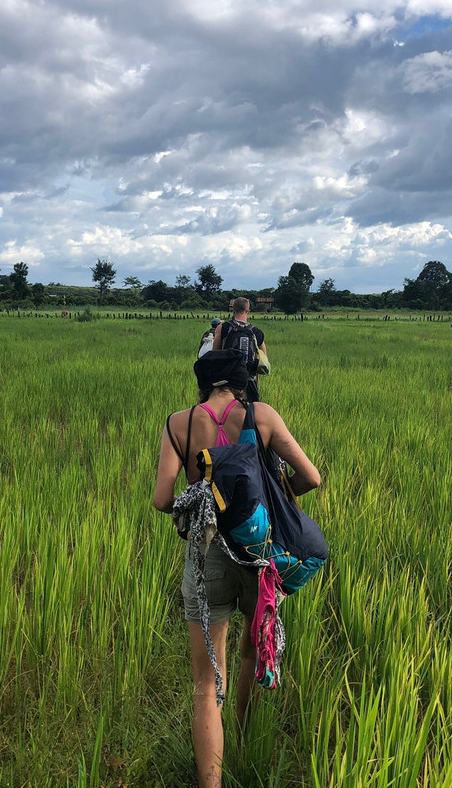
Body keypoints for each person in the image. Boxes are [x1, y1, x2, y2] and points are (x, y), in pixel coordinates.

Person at [153, 350, 320, 788]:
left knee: (206, 685)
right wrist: (280, 494)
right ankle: (242, 735)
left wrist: (194, 507)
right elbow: (311, 477)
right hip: (262, 555)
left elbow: (161, 498)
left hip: (208, 556)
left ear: (203, 384)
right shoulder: (260, 415)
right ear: (241, 382)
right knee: (251, 650)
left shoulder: (179, 423)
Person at [212, 298, 266, 402]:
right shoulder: (256, 332)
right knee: (251, 413)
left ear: (233, 310)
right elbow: (264, 359)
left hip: (227, 381)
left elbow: (214, 353)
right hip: (249, 381)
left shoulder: (223, 328)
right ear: (248, 312)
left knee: (227, 413)